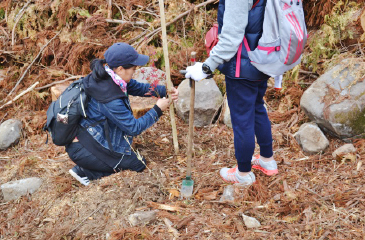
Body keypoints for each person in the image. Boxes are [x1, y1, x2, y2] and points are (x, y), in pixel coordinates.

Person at [185, 0, 278, 185]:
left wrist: (206, 67)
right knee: (257, 107)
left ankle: (243, 174)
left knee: (242, 119)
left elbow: (231, 38)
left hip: (241, 67)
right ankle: (267, 160)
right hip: (263, 59)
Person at [66, 42, 178, 186]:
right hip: (84, 148)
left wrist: (165, 90)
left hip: (87, 137)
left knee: (133, 159)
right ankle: (84, 171)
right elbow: (133, 128)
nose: (135, 70)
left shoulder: (109, 77)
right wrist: (157, 109)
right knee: (138, 164)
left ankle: (92, 166)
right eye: (133, 67)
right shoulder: (109, 96)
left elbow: (139, 88)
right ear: (120, 69)